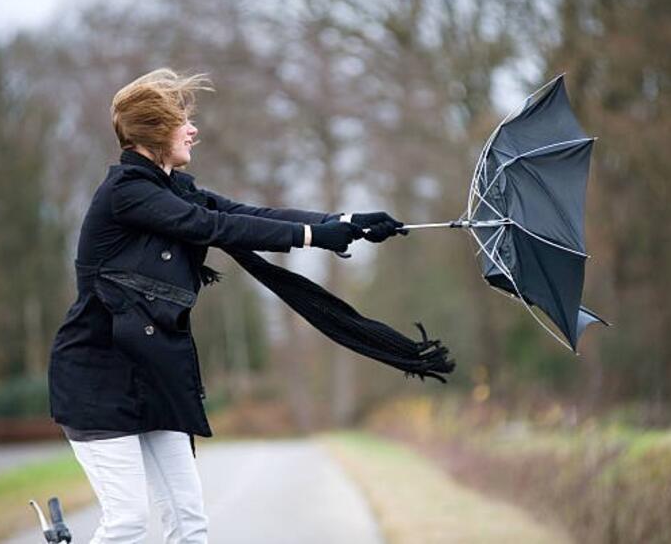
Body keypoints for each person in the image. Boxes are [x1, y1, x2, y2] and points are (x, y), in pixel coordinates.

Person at [46, 68, 406, 544]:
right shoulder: (127, 193)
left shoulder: (173, 188)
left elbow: (245, 215)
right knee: (128, 522)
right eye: (181, 121)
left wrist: (343, 221)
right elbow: (211, 227)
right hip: (98, 377)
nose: (192, 129)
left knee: (189, 523)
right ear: (155, 131)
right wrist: (313, 235)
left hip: (155, 376)